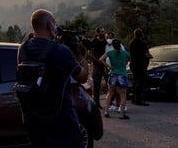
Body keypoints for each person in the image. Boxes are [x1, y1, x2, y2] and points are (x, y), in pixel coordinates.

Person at [16, 9, 89, 148]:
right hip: (61, 122)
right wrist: (78, 52)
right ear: (50, 25)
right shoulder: (61, 51)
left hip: (34, 122)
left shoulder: (22, 49)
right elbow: (83, 77)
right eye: (54, 24)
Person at [100, 39, 130, 120]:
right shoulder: (124, 53)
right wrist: (125, 64)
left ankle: (106, 112)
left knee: (109, 94)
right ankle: (122, 114)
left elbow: (100, 59)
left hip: (113, 74)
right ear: (120, 44)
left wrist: (108, 66)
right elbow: (129, 59)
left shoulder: (110, 53)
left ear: (112, 45)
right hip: (122, 75)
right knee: (123, 95)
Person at [129, 28, 152, 106]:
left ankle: (133, 99)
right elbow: (146, 54)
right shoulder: (143, 44)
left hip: (133, 65)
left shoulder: (131, 43)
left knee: (135, 82)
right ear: (141, 35)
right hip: (141, 65)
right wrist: (151, 56)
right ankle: (139, 100)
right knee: (141, 83)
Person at [87, 27, 107, 108]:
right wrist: (98, 61)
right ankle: (96, 103)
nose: (104, 33)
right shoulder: (94, 41)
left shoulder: (106, 42)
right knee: (97, 84)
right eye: (102, 32)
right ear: (97, 33)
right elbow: (89, 54)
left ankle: (110, 102)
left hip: (107, 66)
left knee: (110, 83)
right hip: (97, 65)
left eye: (104, 31)